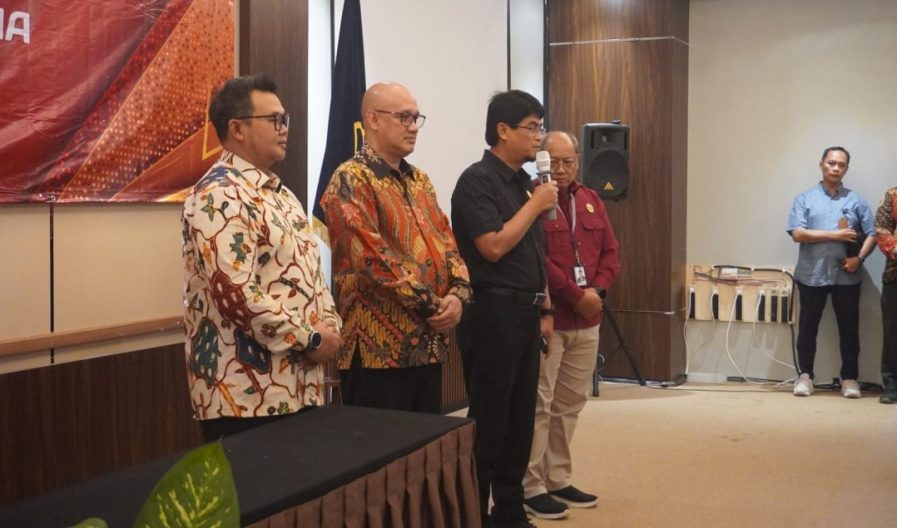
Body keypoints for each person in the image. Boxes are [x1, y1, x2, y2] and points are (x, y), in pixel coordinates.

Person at [182, 73, 342, 442]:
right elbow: (236, 293)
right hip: (246, 397)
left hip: (299, 385)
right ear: (237, 128)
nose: (284, 128)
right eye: (273, 119)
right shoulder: (218, 194)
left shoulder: (280, 194)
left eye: (285, 119)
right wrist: (311, 339)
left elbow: (311, 275)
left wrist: (330, 327)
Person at [320, 82, 471, 414]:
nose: (413, 127)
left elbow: (448, 243)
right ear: (373, 119)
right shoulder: (351, 178)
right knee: (381, 443)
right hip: (378, 352)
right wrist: (434, 306)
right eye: (404, 117)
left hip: (428, 343)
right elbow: (372, 259)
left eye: (416, 118)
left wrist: (458, 295)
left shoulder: (420, 181)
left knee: (425, 442)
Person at [451, 89, 558, 528]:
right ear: (502, 130)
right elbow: (492, 247)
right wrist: (535, 205)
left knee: (520, 421)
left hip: (526, 314)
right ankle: (474, 513)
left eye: (540, 127)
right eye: (531, 127)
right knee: (491, 420)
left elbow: (535, 256)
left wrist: (546, 310)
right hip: (492, 313)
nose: (539, 137)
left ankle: (510, 512)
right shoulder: (476, 180)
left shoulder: (524, 184)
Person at [522, 131, 620, 519]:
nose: (561, 170)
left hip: (588, 318)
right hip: (552, 317)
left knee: (570, 404)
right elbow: (538, 259)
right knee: (540, 404)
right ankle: (530, 484)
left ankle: (558, 477)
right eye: (554, 162)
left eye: (568, 162)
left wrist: (598, 290)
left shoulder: (591, 198)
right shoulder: (530, 198)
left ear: (578, 161)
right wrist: (574, 294)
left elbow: (611, 252)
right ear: (541, 162)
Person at [787, 146, 875, 398]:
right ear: (822, 164)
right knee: (807, 329)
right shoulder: (805, 199)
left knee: (849, 330)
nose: (835, 168)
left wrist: (859, 258)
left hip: (847, 276)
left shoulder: (855, 200)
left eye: (841, 165)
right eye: (831, 163)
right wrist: (835, 235)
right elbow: (798, 233)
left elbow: (873, 233)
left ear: (846, 169)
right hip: (811, 275)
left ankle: (850, 378)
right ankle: (805, 376)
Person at [874, 187, 897, 404]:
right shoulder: (893, 195)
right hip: (895, 276)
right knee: (892, 333)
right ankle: (891, 385)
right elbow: (882, 230)